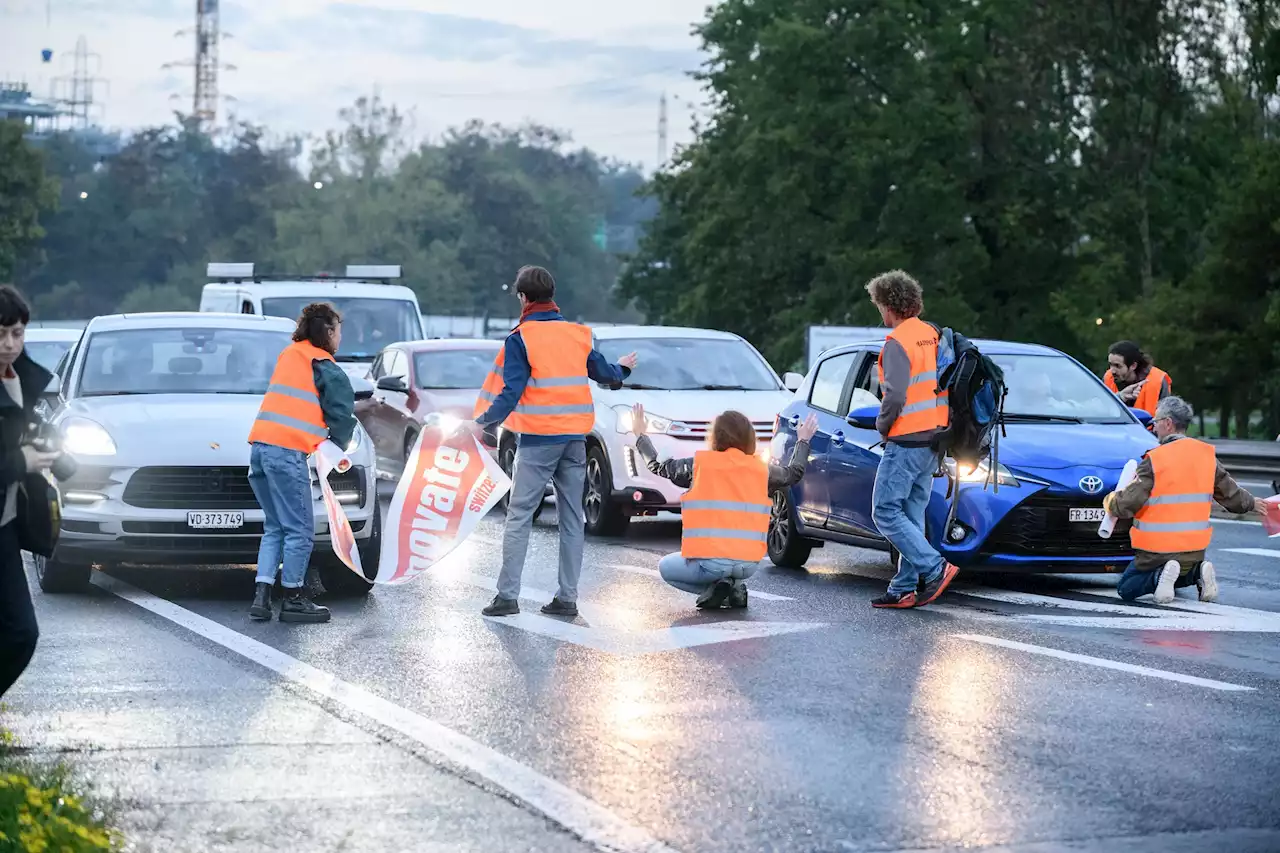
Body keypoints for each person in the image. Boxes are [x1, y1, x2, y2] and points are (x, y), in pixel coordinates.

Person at [470, 265, 636, 618]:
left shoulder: (521, 338)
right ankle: (567, 598)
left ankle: (507, 597)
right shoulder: (577, 335)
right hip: (575, 441)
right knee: (572, 518)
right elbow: (606, 375)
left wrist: (483, 421)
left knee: (519, 516)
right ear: (552, 294)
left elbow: (511, 391)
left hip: (536, 442)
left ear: (523, 297)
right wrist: (623, 369)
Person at [632, 403, 818, 608]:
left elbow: (659, 466)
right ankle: (735, 585)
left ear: (716, 437)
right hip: (748, 565)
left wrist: (641, 435)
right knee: (727, 570)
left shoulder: (698, 465)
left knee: (665, 567)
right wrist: (803, 440)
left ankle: (721, 590)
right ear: (749, 438)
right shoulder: (762, 471)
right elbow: (793, 473)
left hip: (710, 564)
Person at [246, 302, 357, 624]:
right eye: (339, 331)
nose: (340, 339)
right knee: (300, 530)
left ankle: (262, 597)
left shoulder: (290, 355)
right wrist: (342, 445)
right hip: (285, 453)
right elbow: (340, 414)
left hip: (259, 450)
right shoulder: (324, 364)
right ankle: (293, 598)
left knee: (276, 527)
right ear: (329, 332)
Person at [1103, 396, 1264, 603]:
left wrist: (1110, 501)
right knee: (1178, 567)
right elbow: (1231, 495)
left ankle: (1159, 576)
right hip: (1194, 552)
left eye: (1156, 422)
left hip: (1156, 552)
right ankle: (1196, 573)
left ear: (1168, 423)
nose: (1153, 428)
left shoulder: (1154, 459)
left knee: (1126, 587)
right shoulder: (1206, 456)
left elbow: (1126, 505)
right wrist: (1252, 503)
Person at [864, 270, 960, 609]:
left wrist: (882, 426)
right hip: (934, 438)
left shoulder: (897, 342)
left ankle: (934, 567)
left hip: (905, 438)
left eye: (878, 305)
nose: (880, 313)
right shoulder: (933, 334)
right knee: (911, 512)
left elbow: (895, 395)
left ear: (889, 305)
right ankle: (904, 586)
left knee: (885, 511)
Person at [0, 285, 59, 701]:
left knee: (22, 633)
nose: (9, 344)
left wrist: (58, 458)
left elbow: (40, 437)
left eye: (17, 333)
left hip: (5, 525)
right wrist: (22, 462)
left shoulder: (28, 382)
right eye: (1, 333)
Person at [1104, 340, 1171, 417]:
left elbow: (1166, 417)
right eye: (1110, 365)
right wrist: (1120, 397)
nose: (1112, 370)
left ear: (1133, 366)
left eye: (1117, 366)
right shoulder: (1108, 377)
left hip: (1148, 428)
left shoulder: (1158, 380)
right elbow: (1098, 409)